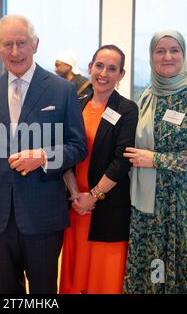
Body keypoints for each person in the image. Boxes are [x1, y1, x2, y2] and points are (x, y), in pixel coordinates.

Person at [0, 14, 87, 294]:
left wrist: (44, 156)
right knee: (7, 287)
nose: (15, 52)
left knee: (44, 288)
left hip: (43, 211)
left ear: (35, 44)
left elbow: (77, 146)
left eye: (21, 43)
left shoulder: (62, 90)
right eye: (7, 44)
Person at [123, 30, 187, 294]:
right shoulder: (146, 96)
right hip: (150, 203)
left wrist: (157, 160)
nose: (167, 56)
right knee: (156, 265)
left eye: (174, 50)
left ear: (183, 54)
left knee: (186, 264)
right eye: (160, 51)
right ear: (151, 56)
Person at [60, 45, 138, 294]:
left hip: (106, 206)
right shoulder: (76, 105)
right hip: (76, 208)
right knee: (76, 275)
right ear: (90, 67)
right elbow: (64, 153)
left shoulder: (126, 109)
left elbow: (121, 160)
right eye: (99, 66)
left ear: (121, 75)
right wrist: (76, 195)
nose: (104, 73)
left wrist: (92, 197)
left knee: (103, 279)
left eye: (112, 68)